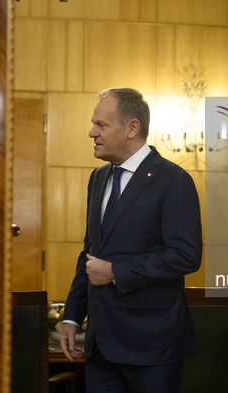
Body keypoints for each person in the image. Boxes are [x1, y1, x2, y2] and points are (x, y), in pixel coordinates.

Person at [57, 87, 203, 392]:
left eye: (101, 125)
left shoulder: (174, 180)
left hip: (152, 346)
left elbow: (185, 255)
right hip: (101, 347)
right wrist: (72, 316)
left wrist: (115, 272)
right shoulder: (98, 178)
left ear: (132, 128)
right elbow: (90, 254)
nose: (91, 132)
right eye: (93, 124)